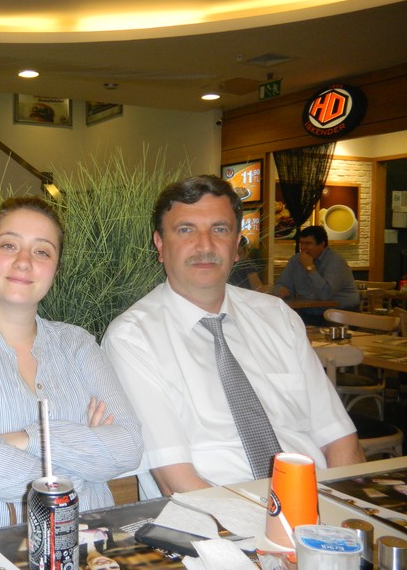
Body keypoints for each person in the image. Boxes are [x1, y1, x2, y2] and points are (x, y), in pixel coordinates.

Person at [102, 174, 363, 497]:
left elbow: (339, 440)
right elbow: (175, 482)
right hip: (214, 515)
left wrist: (342, 512)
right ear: (160, 244)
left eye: (220, 230)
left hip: (316, 502)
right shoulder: (133, 338)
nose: (205, 246)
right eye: (186, 230)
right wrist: (270, 522)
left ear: (237, 244)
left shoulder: (278, 317)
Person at [0, 197, 143, 534]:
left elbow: (129, 447)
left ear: (55, 269)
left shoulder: (78, 343)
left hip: (93, 538)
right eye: (9, 245)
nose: (24, 262)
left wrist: (24, 439)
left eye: (42, 252)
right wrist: (84, 465)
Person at [273, 225, 360, 325]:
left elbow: (325, 294)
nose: (303, 248)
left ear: (322, 244)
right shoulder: (296, 260)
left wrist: (309, 267)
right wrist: (281, 290)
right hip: (308, 312)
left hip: (340, 314)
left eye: (308, 243)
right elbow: (281, 284)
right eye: (302, 243)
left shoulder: (335, 261)